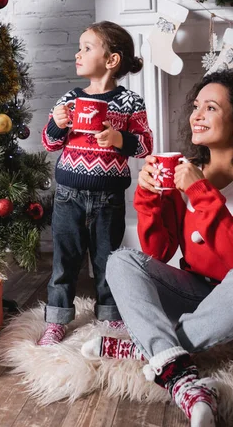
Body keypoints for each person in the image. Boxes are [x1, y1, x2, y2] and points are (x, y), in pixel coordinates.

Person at [81, 69, 233, 427]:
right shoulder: (186, 172)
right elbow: (158, 250)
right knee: (121, 261)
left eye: (211, 108)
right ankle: (177, 371)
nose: (196, 115)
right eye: (196, 106)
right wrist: (148, 197)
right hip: (200, 293)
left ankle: (146, 348)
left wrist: (200, 192)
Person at [38, 20, 153, 346]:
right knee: (64, 261)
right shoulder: (69, 100)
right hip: (68, 196)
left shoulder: (131, 102)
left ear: (111, 59)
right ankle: (57, 319)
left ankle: (110, 315)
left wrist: (118, 138)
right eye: (79, 47)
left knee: (108, 261)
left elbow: (145, 145)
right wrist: (58, 124)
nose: (78, 53)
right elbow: (49, 142)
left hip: (108, 199)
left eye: (86, 48)